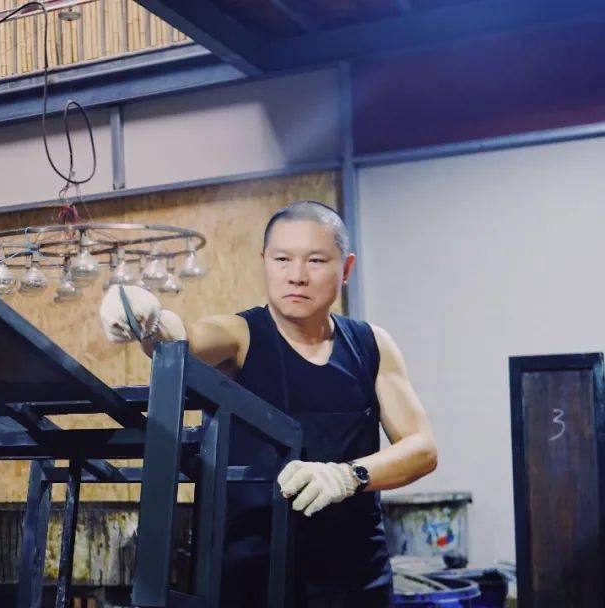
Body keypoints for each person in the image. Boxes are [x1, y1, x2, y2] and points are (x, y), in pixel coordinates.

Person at [99, 200, 438, 607]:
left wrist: (348, 476)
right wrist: (149, 320)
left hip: (355, 581)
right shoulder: (241, 337)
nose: (297, 275)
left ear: (345, 269)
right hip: (252, 582)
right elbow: (182, 338)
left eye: (315, 260)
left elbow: (422, 448)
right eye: (282, 259)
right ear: (264, 262)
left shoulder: (371, 345)